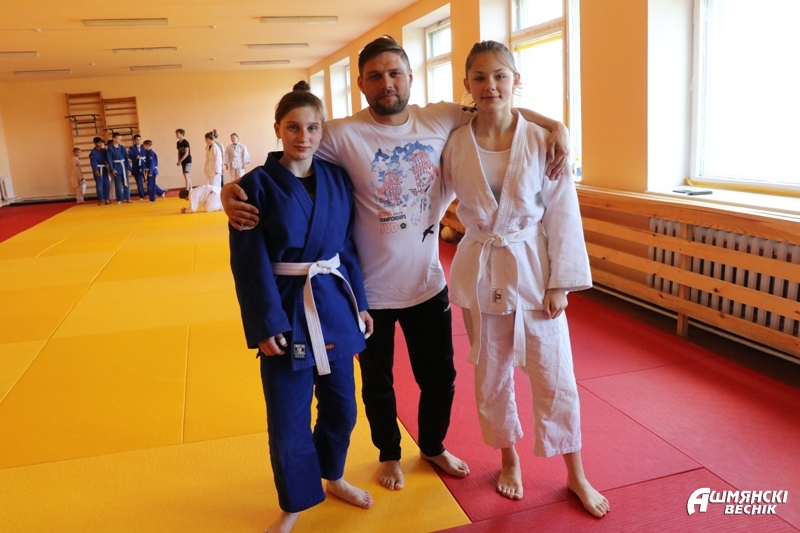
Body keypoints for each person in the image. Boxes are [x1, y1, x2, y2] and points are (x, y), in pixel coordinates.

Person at [223, 35, 570, 492]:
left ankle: (432, 445)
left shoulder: (440, 116)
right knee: (377, 384)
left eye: (394, 73)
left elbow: (496, 104)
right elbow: (290, 156)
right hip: (369, 290)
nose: (386, 83)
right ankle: (388, 453)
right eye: (375, 76)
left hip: (428, 282)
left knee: (440, 378)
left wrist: (556, 125)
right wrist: (231, 190)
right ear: (362, 84)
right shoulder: (341, 133)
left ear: (409, 77)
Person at [442, 41, 609, 518]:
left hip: (534, 269)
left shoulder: (541, 140)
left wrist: (561, 283)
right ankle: (508, 459)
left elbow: (562, 212)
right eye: (479, 77)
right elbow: (433, 203)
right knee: (491, 374)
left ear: (516, 80)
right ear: (467, 84)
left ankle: (576, 473)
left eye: (500, 75)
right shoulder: (455, 142)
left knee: (555, 373)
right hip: (482, 272)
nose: (490, 85)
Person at [229, 81, 375, 533]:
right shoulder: (254, 186)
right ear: (277, 128)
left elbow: (347, 247)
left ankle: (333, 475)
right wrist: (263, 323)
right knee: (288, 417)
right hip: (285, 310)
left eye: (312, 128)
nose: (303, 136)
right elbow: (248, 261)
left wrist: (360, 304)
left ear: (322, 131)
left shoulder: (336, 179)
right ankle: (294, 501)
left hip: (333, 305)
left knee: (343, 407)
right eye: (293, 127)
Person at [107, 132, 131, 203]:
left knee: (126, 183)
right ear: (114, 138)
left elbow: (126, 158)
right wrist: (112, 169)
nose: (119, 140)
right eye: (118, 138)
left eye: (120, 138)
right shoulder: (110, 148)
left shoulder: (122, 147)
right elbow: (109, 159)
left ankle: (127, 198)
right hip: (116, 167)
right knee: (118, 184)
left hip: (123, 166)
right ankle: (120, 199)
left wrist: (128, 168)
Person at [88, 137, 110, 205]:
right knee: (99, 185)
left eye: (100, 143)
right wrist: (95, 170)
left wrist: (107, 162)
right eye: (98, 143)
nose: (100, 144)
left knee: (107, 184)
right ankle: (101, 199)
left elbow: (107, 158)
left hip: (104, 169)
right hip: (98, 169)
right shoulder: (93, 152)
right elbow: (93, 161)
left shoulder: (104, 151)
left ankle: (106, 198)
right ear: (95, 143)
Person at [128, 134, 148, 200]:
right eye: (137, 140)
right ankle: (142, 196)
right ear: (134, 140)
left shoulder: (144, 147)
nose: (138, 141)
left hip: (144, 166)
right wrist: (135, 157)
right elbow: (129, 155)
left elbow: (148, 154)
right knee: (139, 183)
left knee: (149, 181)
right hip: (136, 167)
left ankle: (158, 192)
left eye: (139, 139)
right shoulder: (132, 148)